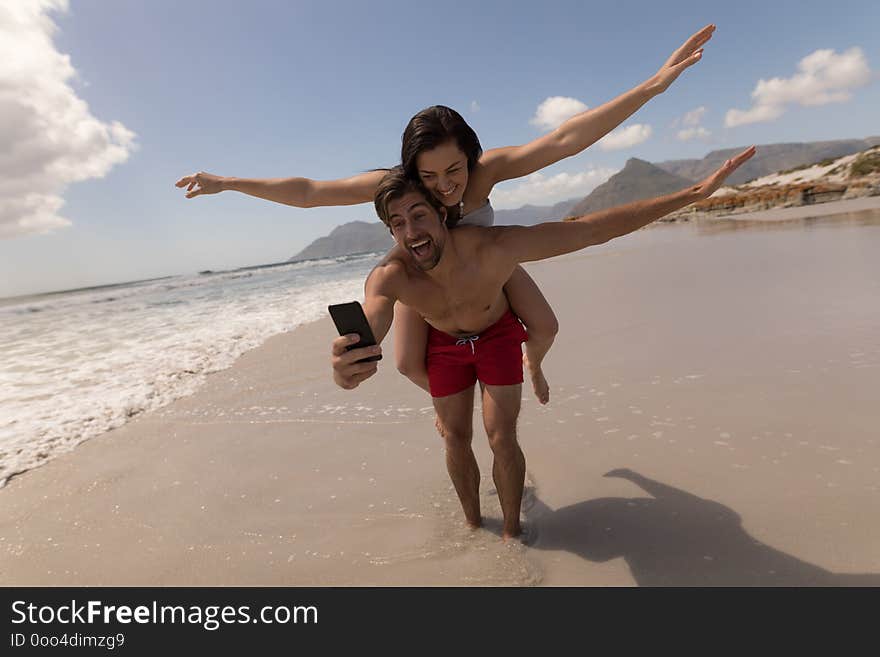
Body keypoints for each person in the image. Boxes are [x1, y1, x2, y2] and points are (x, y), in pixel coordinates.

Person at [176, 26, 717, 404]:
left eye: (453, 171)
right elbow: (311, 190)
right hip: (429, 272)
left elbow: (564, 140)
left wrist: (654, 85)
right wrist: (228, 183)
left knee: (546, 325)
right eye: (429, 177)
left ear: (471, 156)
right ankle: (451, 408)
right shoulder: (404, 187)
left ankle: (529, 364)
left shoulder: (486, 172)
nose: (444, 188)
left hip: (485, 264)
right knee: (412, 365)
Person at [330, 146, 756, 540]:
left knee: (501, 436)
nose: (411, 231)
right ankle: (474, 525)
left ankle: (513, 531)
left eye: (419, 215)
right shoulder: (392, 274)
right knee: (455, 437)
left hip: (496, 335)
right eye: (398, 224)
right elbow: (376, 311)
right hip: (444, 347)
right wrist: (349, 361)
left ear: (442, 214)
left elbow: (588, 231)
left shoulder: (492, 248)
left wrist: (695, 193)